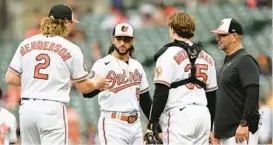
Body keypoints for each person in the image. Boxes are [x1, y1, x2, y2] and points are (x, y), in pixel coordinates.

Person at [5, 4, 108, 145]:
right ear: (65, 22)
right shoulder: (71, 48)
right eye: (71, 23)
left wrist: (36, 82)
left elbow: (10, 78)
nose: (72, 26)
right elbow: (84, 87)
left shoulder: (26, 43)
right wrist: (97, 83)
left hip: (27, 109)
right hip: (52, 109)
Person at [147, 12, 218, 144]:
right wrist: (210, 125)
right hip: (203, 115)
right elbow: (212, 96)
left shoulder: (168, 54)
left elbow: (161, 92)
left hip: (179, 115)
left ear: (172, 29)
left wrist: (153, 121)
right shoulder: (208, 57)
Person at [83, 23, 154, 145]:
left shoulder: (137, 66)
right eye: (119, 39)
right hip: (113, 123)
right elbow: (86, 94)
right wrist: (96, 86)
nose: (122, 43)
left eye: (126, 40)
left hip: (135, 125)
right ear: (113, 40)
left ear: (133, 41)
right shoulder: (102, 64)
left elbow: (145, 100)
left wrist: (155, 125)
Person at [210, 18, 260, 145]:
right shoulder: (226, 64)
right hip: (225, 134)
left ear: (234, 36)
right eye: (217, 35)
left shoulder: (245, 60)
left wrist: (244, 123)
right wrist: (216, 132)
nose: (217, 38)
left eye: (222, 35)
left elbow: (252, 93)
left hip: (239, 132)